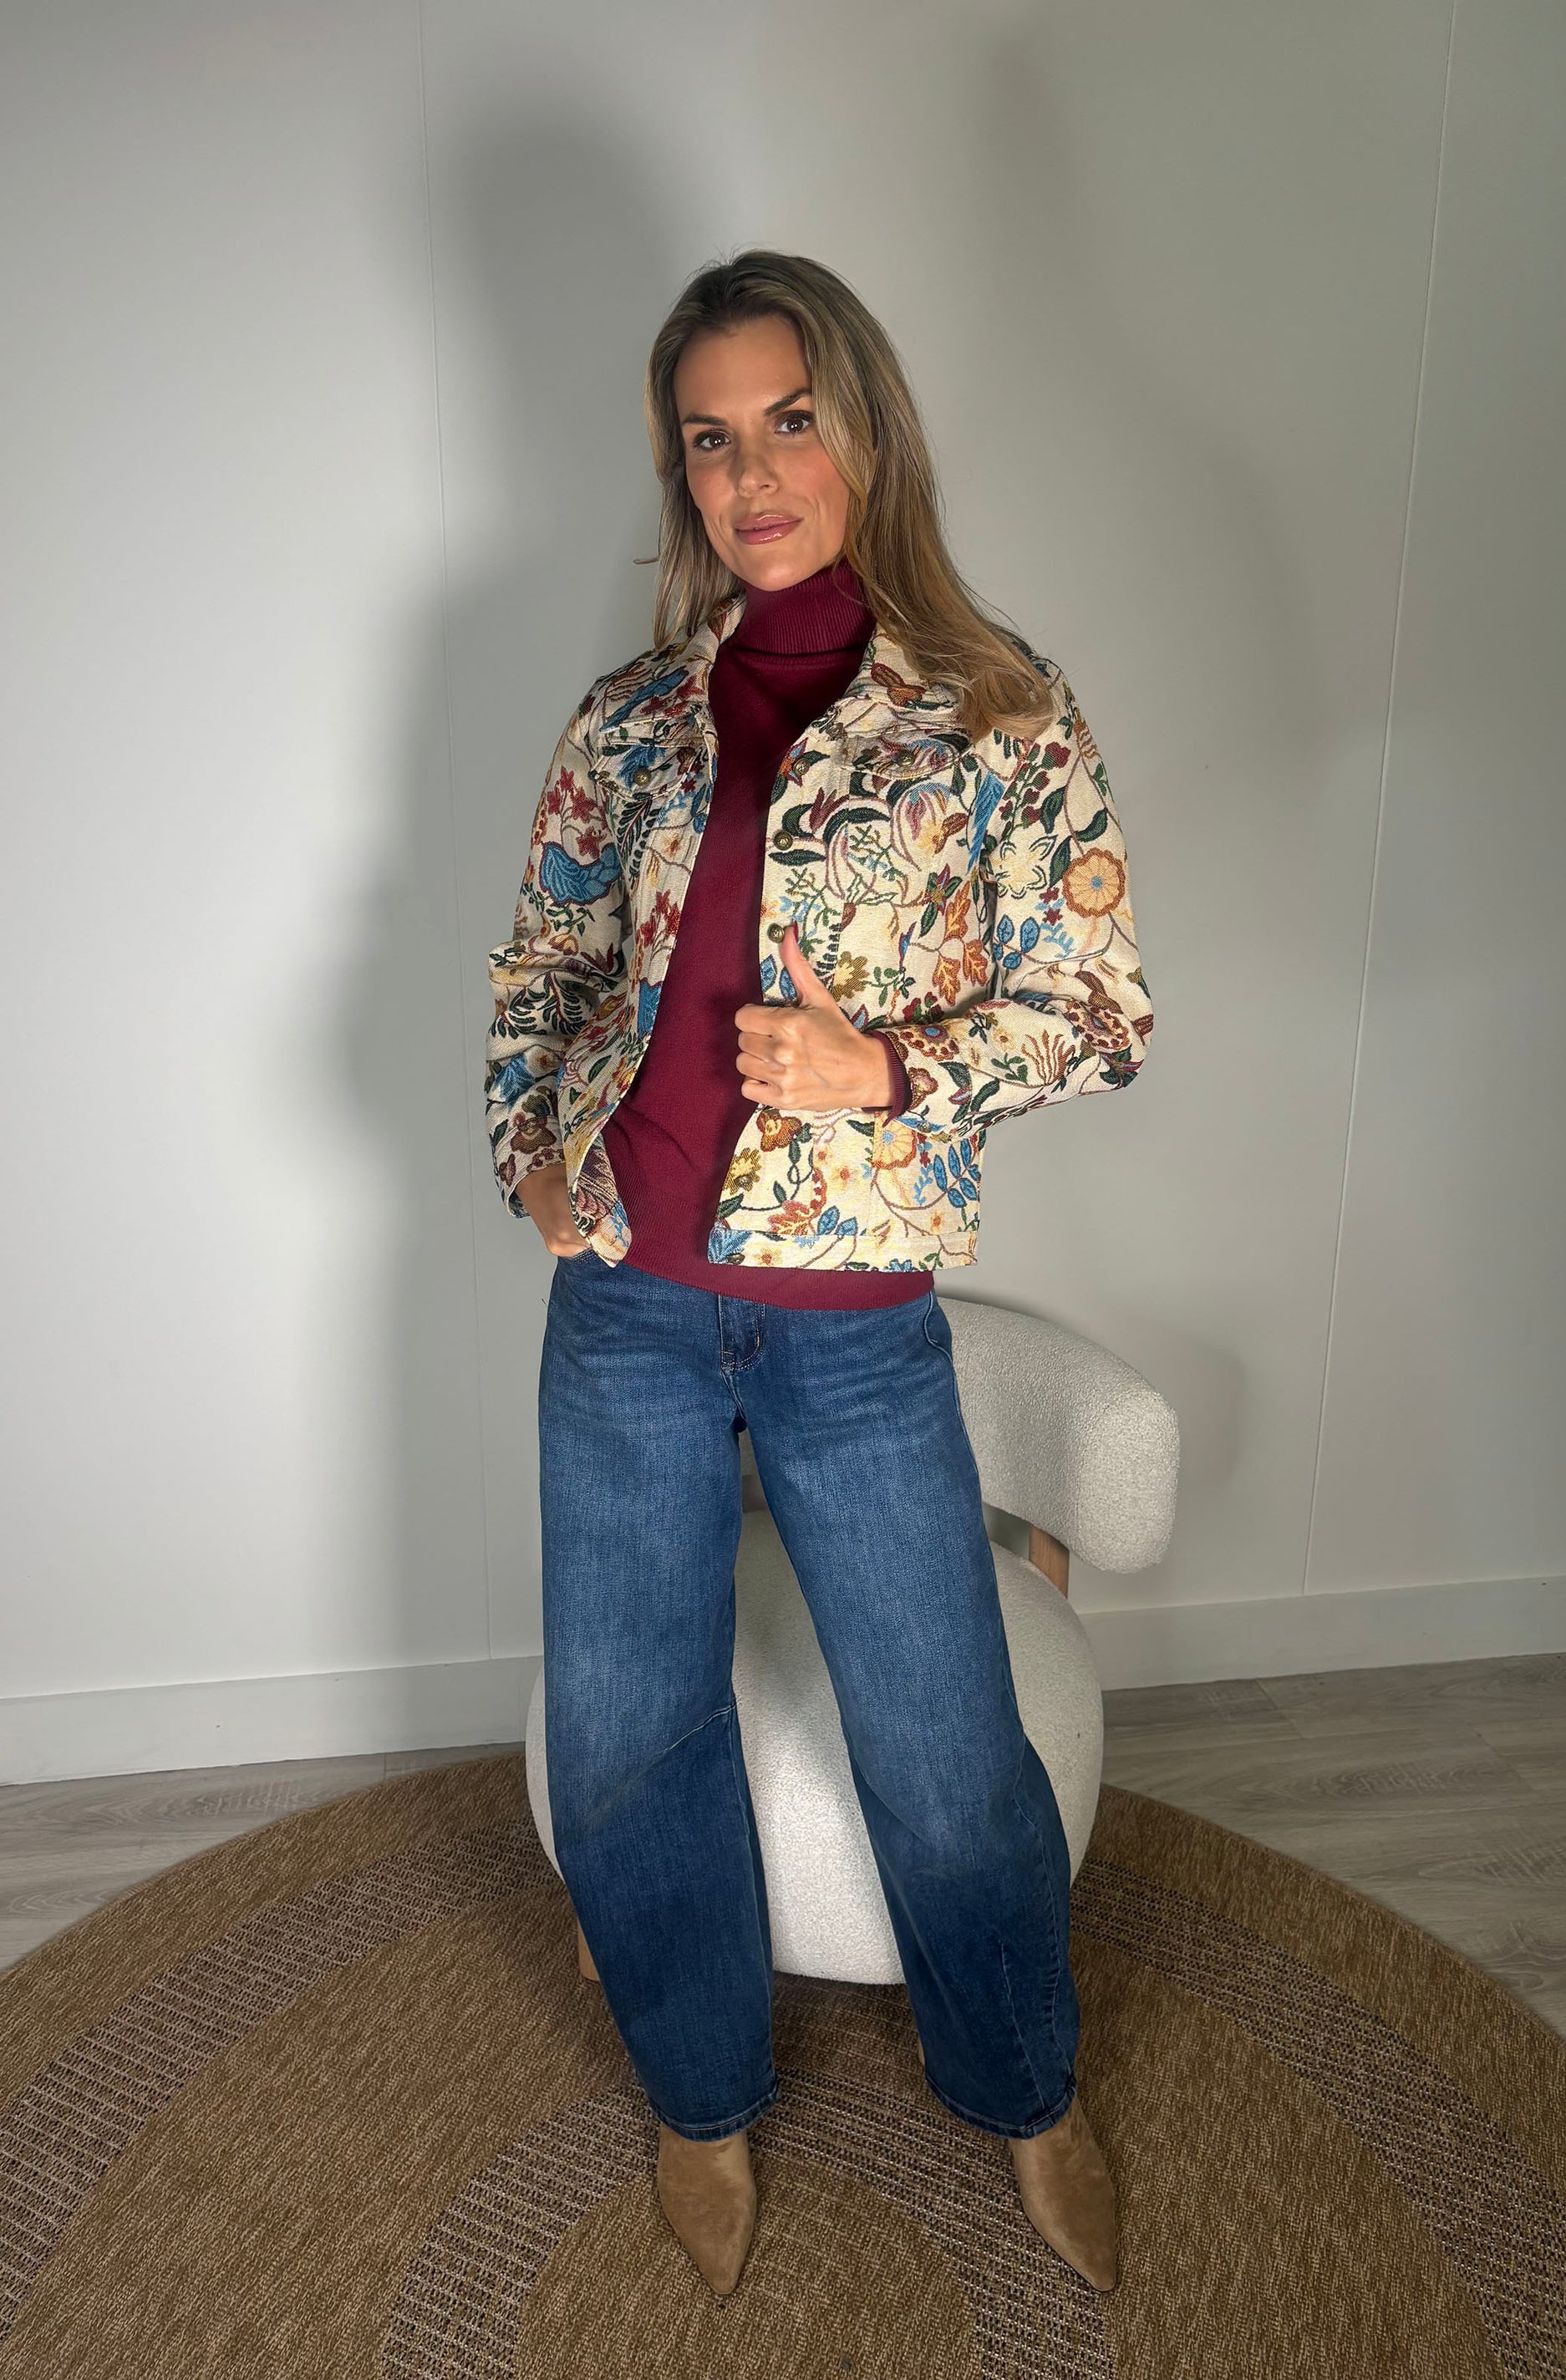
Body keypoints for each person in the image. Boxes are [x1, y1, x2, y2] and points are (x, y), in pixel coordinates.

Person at [485, 249, 1152, 2299]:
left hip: (853, 1325)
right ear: (677, 474)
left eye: (790, 421)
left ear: (864, 430)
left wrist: (890, 1069)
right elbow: (544, 966)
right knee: (628, 1740)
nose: (752, 474)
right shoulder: (630, 721)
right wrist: (534, 1157)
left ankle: (1022, 2081)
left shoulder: (996, 709)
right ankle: (699, 2098)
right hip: (623, 1311)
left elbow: (1101, 1003)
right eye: (710, 439)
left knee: (943, 1751)